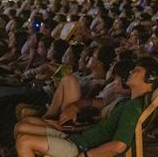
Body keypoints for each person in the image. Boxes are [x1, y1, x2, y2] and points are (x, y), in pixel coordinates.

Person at [14, 57, 158, 157]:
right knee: (22, 130)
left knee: (24, 142)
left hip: (81, 148)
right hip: (79, 140)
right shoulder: (127, 103)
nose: (132, 72)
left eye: (137, 70)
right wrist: (70, 128)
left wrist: (87, 155)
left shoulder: (133, 108)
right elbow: (102, 128)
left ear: (149, 80)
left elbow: (119, 145)